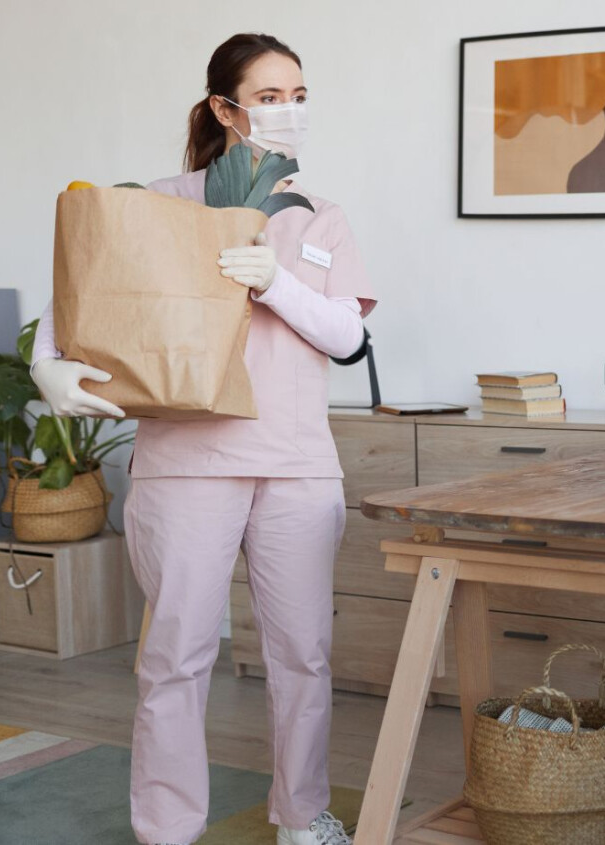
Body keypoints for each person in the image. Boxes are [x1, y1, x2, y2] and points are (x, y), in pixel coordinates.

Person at [29, 33, 374, 845]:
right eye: (269, 96)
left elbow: (347, 339)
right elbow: (80, 298)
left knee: (303, 658)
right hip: (187, 464)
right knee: (175, 660)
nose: (289, 111)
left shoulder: (321, 217)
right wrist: (47, 368)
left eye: (298, 95)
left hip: (295, 466)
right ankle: (166, 827)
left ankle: (300, 815)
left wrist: (276, 279)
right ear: (225, 108)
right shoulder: (157, 200)